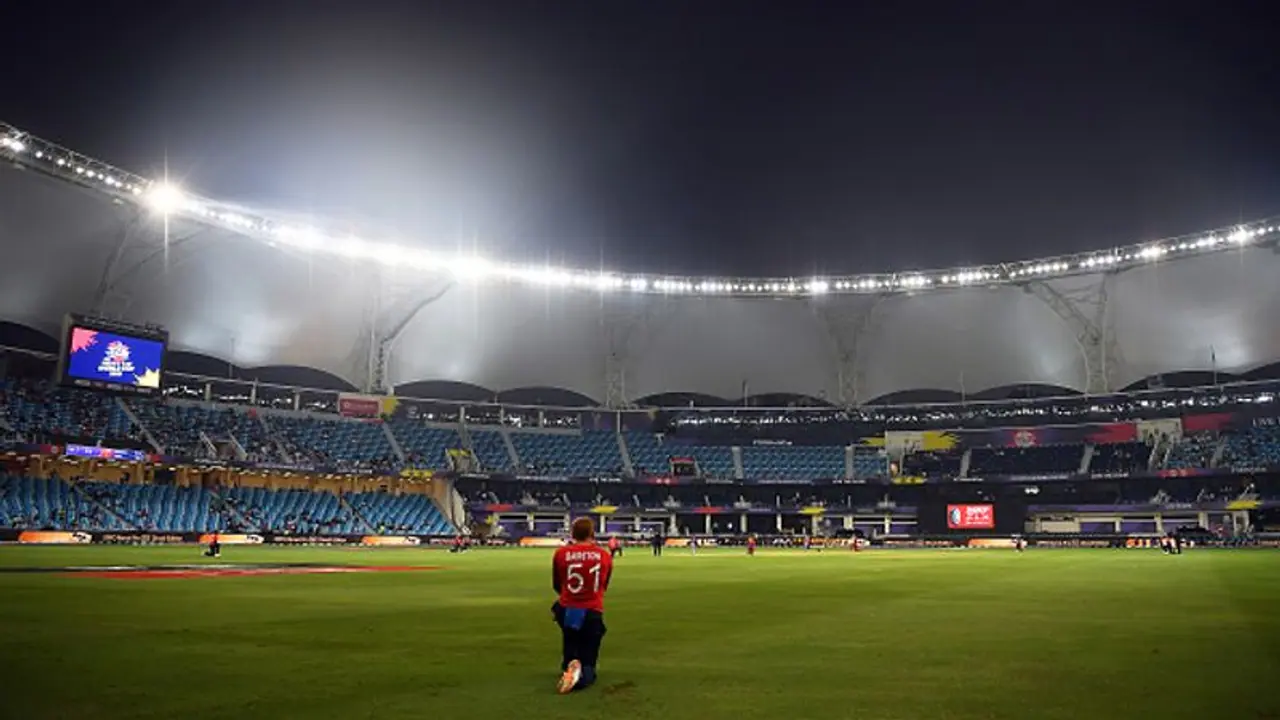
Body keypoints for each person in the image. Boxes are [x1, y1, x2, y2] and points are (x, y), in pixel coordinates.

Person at [551, 517, 613, 694]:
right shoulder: (604, 555)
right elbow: (604, 585)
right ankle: (582, 675)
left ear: (573, 533)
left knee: (570, 641)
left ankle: (570, 665)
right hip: (592, 609)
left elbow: (557, 584)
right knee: (589, 661)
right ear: (592, 533)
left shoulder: (561, 554)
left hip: (568, 608)